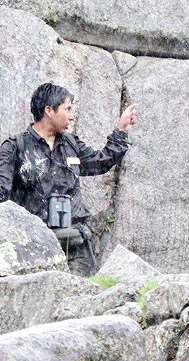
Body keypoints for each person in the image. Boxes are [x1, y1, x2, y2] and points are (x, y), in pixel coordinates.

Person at [0, 83, 138, 276]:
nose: (72, 116)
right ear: (49, 110)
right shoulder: (15, 147)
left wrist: (121, 130)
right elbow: (1, 197)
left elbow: (101, 162)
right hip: (34, 244)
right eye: (67, 109)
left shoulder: (71, 144)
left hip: (75, 243)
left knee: (86, 299)